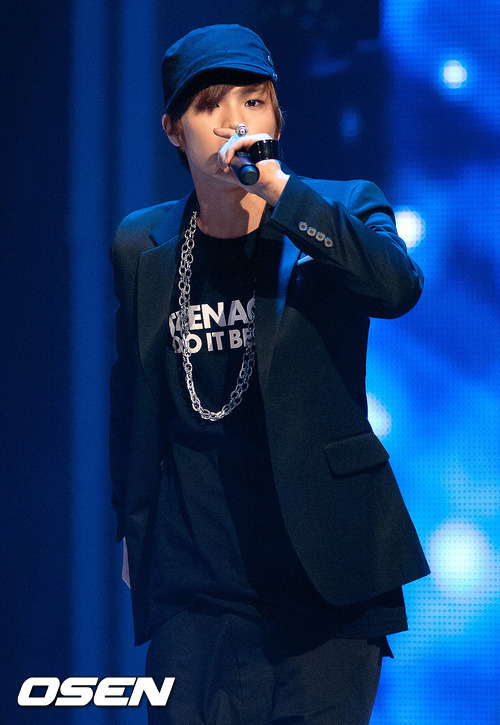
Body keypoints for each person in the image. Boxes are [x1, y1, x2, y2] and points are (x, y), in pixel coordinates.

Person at [110, 23, 430, 725]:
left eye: (253, 101)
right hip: (200, 590)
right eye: (209, 105)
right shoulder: (143, 243)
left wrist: (284, 193)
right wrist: (131, 528)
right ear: (173, 130)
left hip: (326, 586)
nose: (234, 121)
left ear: (278, 119)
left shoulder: (342, 209)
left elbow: (397, 289)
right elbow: (131, 392)